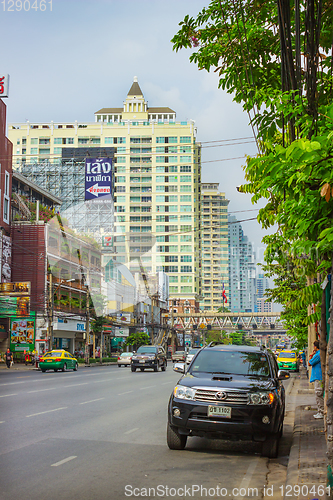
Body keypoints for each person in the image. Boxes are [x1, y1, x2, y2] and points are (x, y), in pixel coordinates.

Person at [308, 341, 324, 419]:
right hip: (318, 377)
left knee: (319, 395)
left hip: (318, 378)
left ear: (315, 347)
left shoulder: (318, 355)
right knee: (318, 395)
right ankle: (320, 411)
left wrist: (311, 354)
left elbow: (309, 363)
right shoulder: (318, 354)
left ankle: (321, 412)